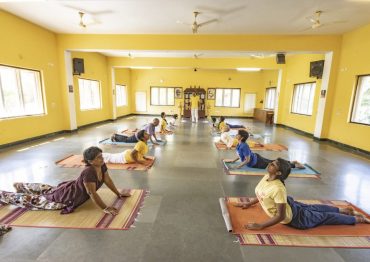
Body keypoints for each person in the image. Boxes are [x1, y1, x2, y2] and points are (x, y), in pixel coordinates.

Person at [234, 158, 370, 230]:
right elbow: (261, 193)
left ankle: (357, 219)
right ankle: (343, 210)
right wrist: (249, 203)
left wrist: (261, 225)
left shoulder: (278, 188)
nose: (270, 164)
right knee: (313, 207)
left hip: (296, 219)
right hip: (290, 205)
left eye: (273, 165)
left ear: (279, 173)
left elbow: (281, 216)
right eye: (272, 162)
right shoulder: (266, 176)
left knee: (324, 217)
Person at [0, 147, 131, 215]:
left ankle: (21, 185)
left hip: (70, 187)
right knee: (37, 200)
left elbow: (107, 179)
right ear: (90, 161)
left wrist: (118, 194)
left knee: (49, 189)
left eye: (101, 156)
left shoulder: (101, 165)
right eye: (98, 157)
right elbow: (92, 193)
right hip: (67, 197)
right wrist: (105, 208)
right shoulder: (89, 172)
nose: (102, 159)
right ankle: (5, 195)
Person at [225, 129, 304, 169]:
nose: (236, 134)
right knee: (273, 161)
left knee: (275, 165)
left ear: (241, 137)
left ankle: (294, 165)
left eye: (238, 134)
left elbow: (247, 160)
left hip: (257, 162)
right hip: (256, 158)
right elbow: (240, 155)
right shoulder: (239, 144)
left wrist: (239, 166)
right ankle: (291, 162)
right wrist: (233, 161)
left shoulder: (244, 146)